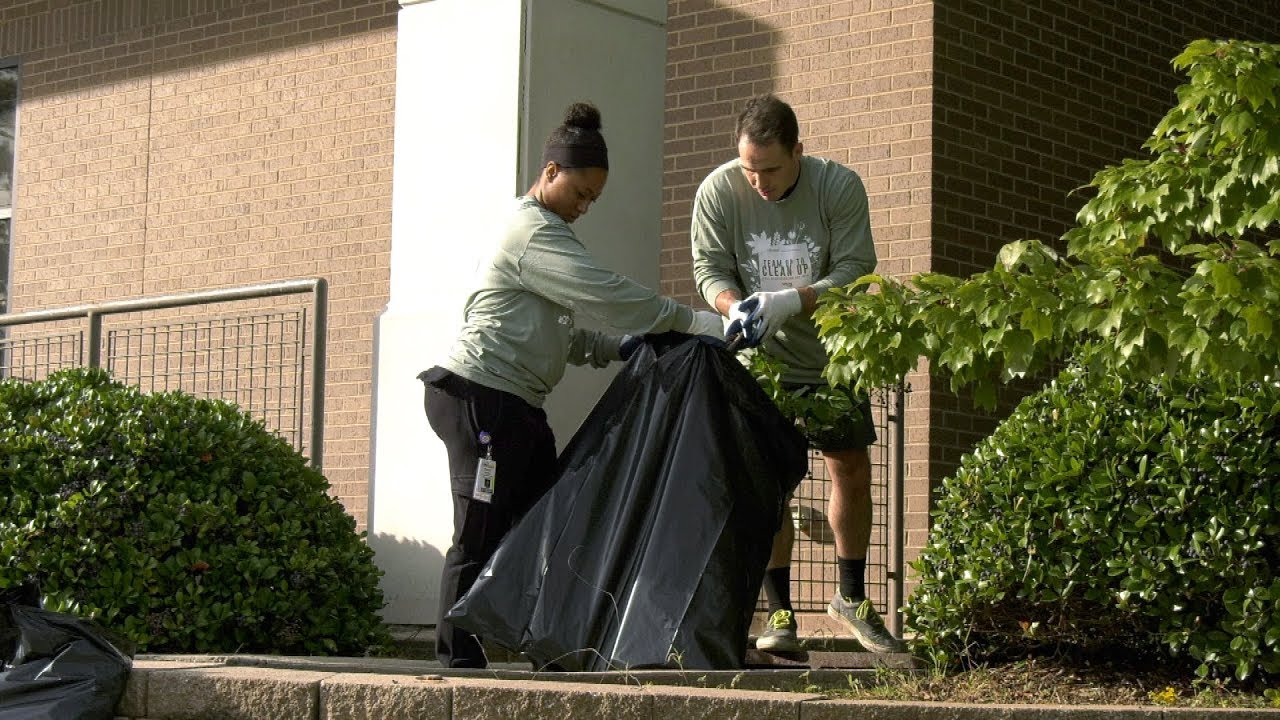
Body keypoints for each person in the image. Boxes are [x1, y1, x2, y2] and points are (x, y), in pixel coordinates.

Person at [420, 101, 724, 669]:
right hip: (476, 394)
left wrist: (620, 347)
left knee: (549, 522)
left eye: (594, 200)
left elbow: (565, 332)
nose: (585, 207)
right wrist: (693, 320)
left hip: (518, 405)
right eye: (580, 193)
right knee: (479, 528)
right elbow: (606, 293)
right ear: (551, 172)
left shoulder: (552, 235)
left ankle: (549, 648)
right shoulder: (531, 233)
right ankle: (455, 658)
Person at [690, 93, 906, 655]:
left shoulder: (838, 187)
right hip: (761, 363)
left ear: (799, 153)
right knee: (771, 485)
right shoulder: (718, 192)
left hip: (831, 357)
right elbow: (709, 268)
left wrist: (793, 300)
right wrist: (732, 305)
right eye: (748, 168)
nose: (757, 181)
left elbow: (857, 269)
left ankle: (851, 597)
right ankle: (779, 613)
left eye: (771, 168)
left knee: (851, 471)